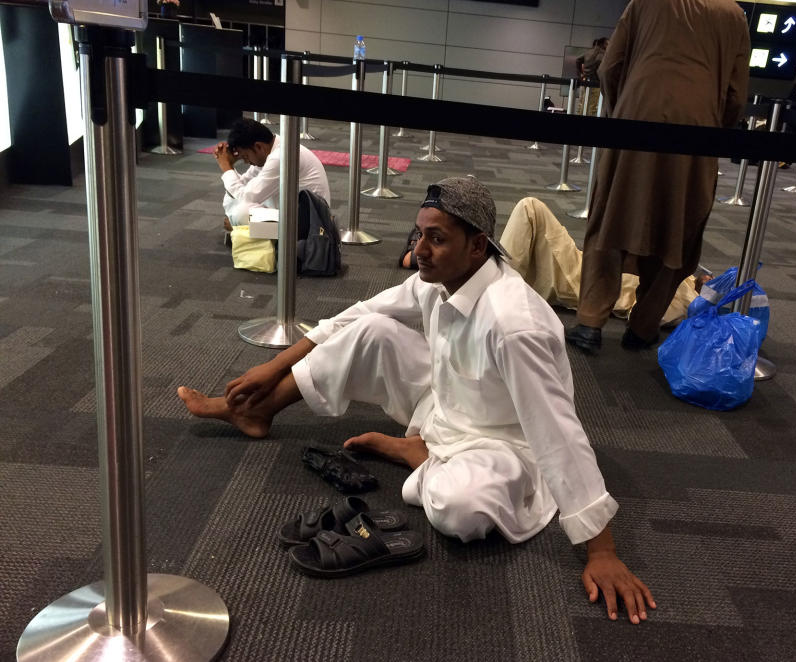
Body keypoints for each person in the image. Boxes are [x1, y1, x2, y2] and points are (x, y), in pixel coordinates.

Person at [178, 177, 657, 624]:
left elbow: (556, 430)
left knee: (459, 507)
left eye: (436, 239)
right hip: (447, 401)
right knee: (369, 331)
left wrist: (602, 551)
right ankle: (259, 410)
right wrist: (277, 363)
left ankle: (421, 456)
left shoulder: (514, 324)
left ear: (477, 245)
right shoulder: (438, 278)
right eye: (419, 234)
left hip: (504, 444)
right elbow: (361, 311)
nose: (419, 251)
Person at [566, 0, 749, 355]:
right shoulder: (733, 14)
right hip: (698, 131)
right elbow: (735, 95)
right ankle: (643, 327)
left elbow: (610, 68)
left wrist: (625, 111)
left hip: (635, 117)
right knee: (677, 230)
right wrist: (714, 130)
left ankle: (589, 323)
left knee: (609, 221)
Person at [400, 197, 705, 326]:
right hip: (585, 266)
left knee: (530, 208)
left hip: (578, 280)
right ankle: (467, 258)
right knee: (530, 212)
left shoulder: (682, 298)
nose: (708, 278)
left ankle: (474, 269)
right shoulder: (680, 276)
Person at [215, 118, 331, 232]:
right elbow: (240, 189)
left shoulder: (280, 156)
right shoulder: (270, 150)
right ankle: (243, 227)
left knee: (241, 214)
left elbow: (246, 196)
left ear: (258, 146)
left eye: (245, 156)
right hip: (294, 213)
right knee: (236, 203)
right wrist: (230, 165)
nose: (246, 162)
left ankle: (240, 227)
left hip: (312, 225)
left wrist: (226, 166)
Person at [576, 38, 608, 117]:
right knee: (592, 108)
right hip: (595, 83)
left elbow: (577, 60)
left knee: (581, 106)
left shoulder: (588, 52)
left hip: (585, 81)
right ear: (604, 44)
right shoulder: (603, 54)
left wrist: (580, 74)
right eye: (608, 44)